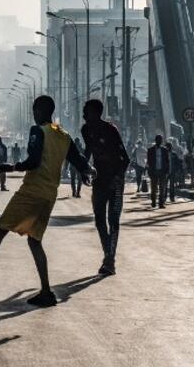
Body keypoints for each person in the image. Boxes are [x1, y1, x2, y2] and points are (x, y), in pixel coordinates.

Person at [0, 95, 94, 307]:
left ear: (39, 111)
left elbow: (33, 162)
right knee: (34, 241)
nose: (33, 114)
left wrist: (11, 167)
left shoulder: (38, 131)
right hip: (49, 195)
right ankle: (46, 291)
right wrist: (89, 171)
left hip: (31, 191)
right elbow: (80, 162)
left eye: (35, 110)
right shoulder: (64, 135)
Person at [81, 99, 129, 276]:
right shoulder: (85, 130)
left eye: (86, 111)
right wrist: (83, 170)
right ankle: (108, 256)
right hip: (99, 181)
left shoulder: (111, 130)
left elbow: (125, 158)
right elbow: (88, 151)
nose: (83, 114)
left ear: (95, 112)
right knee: (99, 220)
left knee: (113, 221)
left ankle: (110, 260)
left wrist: (118, 178)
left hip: (115, 182)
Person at [147, 135, 170, 209]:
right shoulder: (150, 150)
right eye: (158, 140)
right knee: (153, 188)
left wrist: (167, 171)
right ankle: (153, 202)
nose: (159, 141)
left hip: (162, 171)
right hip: (154, 171)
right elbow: (149, 162)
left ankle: (161, 203)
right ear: (156, 140)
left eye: (161, 140)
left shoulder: (165, 150)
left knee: (162, 188)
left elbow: (167, 161)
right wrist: (149, 171)